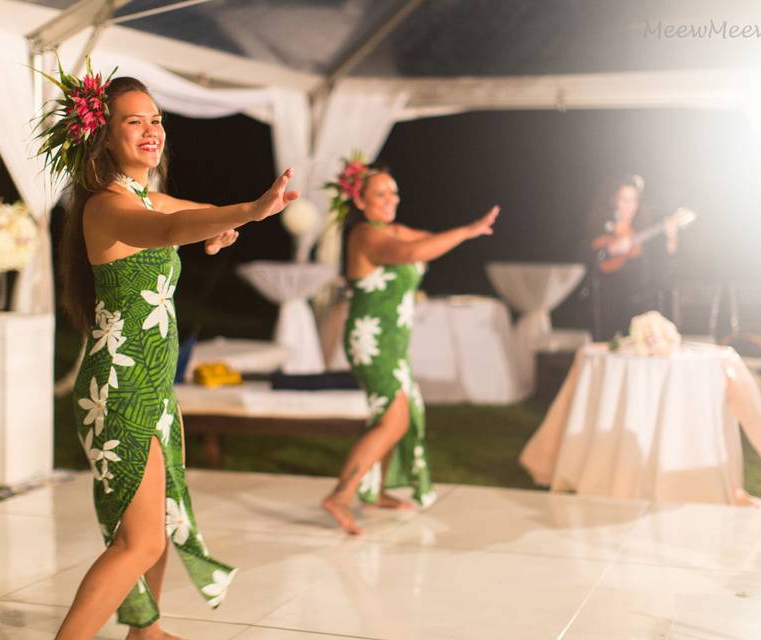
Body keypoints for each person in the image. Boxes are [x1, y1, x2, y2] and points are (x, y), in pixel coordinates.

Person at [37, 66, 298, 639]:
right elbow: (171, 227)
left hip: (151, 382)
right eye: (135, 121)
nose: (152, 130)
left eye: (156, 119)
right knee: (142, 538)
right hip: (120, 386)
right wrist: (245, 213)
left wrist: (223, 223)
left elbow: (182, 216)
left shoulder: (144, 197)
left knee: (157, 517)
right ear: (103, 136)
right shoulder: (105, 205)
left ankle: (145, 633)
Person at [321, 157, 499, 535]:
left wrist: (465, 231)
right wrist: (466, 231)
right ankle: (342, 494)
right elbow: (414, 254)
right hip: (372, 340)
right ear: (361, 202)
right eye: (380, 193)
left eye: (394, 192)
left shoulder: (394, 230)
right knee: (393, 418)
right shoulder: (366, 236)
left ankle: (378, 490)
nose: (391, 199)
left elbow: (423, 242)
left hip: (394, 341)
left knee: (399, 417)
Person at [584, 174, 679, 341]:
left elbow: (664, 274)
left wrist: (671, 238)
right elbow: (589, 261)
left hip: (639, 310)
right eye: (623, 200)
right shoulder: (600, 230)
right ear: (612, 201)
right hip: (607, 310)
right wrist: (609, 250)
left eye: (632, 201)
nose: (627, 206)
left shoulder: (643, 234)